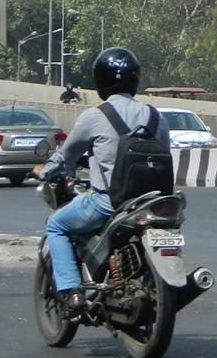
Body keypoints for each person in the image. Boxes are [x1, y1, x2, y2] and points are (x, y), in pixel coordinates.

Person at [31, 48, 170, 313]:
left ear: (100, 80)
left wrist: (43, 171)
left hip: (108, 203)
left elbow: (65, 158)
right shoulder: (156, 116)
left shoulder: (95, 116)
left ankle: (71, 291)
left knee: (56, 225)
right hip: (152, 202)